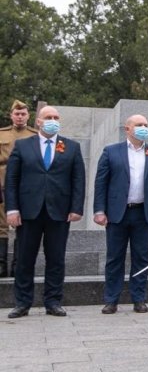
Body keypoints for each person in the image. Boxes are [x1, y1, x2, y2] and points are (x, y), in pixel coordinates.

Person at [4, 106, 86, 318]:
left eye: (56, 117)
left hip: (59, 212)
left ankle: (53, 301)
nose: (53, 120)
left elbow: (78, 180)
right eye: (48, 117)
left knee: (56, 259)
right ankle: (22, 303)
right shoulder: (22, 146)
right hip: (28, 212)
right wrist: (12, 208)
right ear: (38, 121)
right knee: (24, 259)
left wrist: (77, 208)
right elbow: (11, 180)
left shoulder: (71, 147)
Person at [93, 114, 148, 314]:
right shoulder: (111, 152)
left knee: (141, 258)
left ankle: (139, 298)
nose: (143, 127)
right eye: (138, 125)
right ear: (127, 129)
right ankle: (111, 300)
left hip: (144, 213)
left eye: (145, 124)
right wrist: (99, 210)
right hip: (117, 214)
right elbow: (101, 183)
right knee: (114, 258)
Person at [0, 100, 37, 277]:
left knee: (22, 225)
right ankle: (1, 264)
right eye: (17, 114)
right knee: (1, 225)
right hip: (2, 184)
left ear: (28, 116)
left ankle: (18, 264)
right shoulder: (2, 134)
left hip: (25, 185)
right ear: (11, 115)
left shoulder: (35, 135)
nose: (20, 117)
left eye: (23, 114)